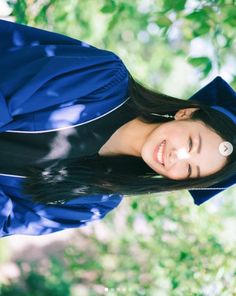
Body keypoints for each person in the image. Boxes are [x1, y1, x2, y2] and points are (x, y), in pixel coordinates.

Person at [0, 19, 235, 237]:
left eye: (189, 170)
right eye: (192, 143)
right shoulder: (105, 81)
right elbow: (6, 85)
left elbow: (9, 220)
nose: (178, 156)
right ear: (186, 113)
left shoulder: (96, 201)